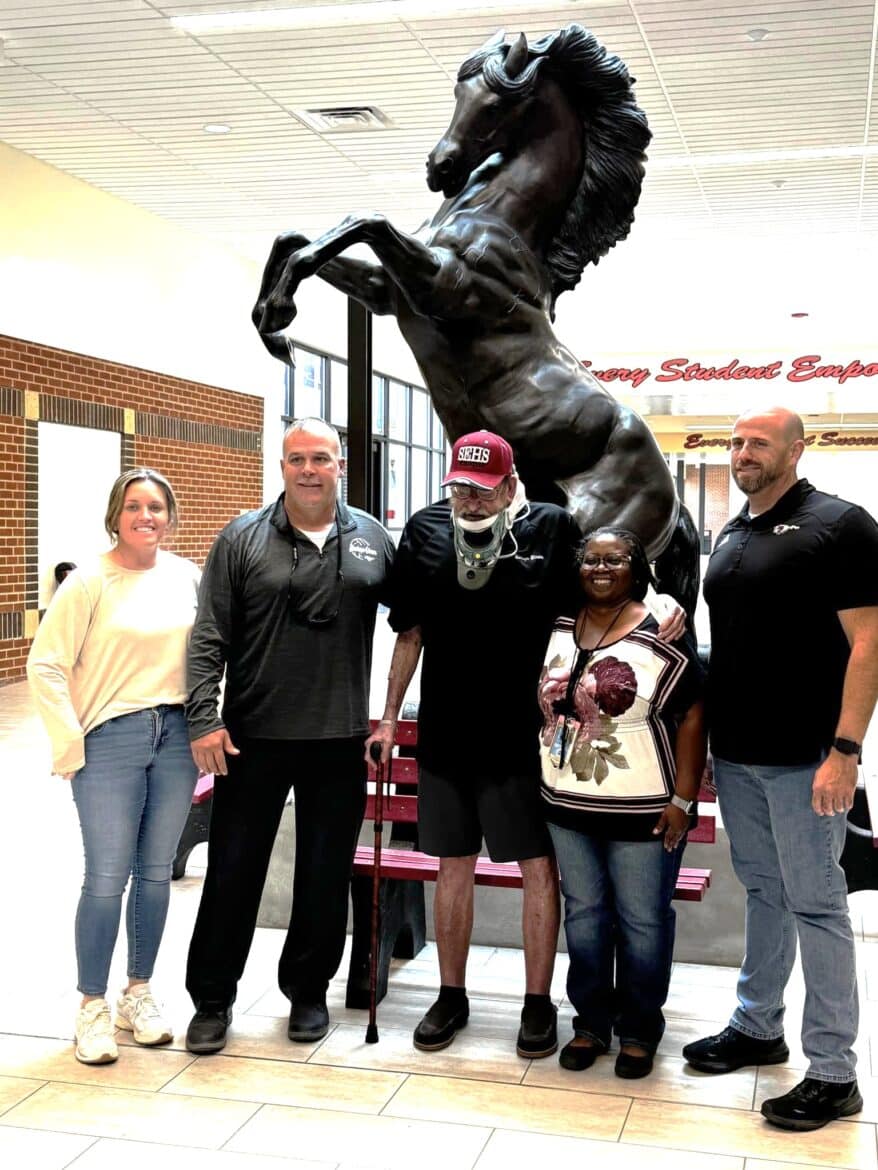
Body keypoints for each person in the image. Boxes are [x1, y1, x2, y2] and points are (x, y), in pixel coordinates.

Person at [367, 430, 685, 1058]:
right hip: (447, 734)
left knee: (538, 869)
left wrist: (661, 599)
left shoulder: (551, 527)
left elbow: (603, 591)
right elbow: (410, 633)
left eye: (485, 489)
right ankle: (451, 994)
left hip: (527, 740)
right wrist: (387, 719)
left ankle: (538, 1003)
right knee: (452, 865)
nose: (471, 499)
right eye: (461, 487)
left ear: (511, 484)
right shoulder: (425, 531)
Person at [683, 406, 878, 1131]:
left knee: (817, 905)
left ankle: (833, 1072)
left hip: (808, 759)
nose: (743, 453)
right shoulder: (734, 533)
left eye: (758, 443)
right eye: (737, 443)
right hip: (739, 754)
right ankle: (757, 1025)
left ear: (796, 449)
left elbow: (870, 643)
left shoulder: (840, 525)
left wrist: (845, 752)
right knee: (765, 892)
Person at [184, 417, 394, 1054]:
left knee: (324, 876)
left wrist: (389, 714)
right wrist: (204, 717)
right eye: (297, 458)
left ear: (340, 466)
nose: (309, 470)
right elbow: (209, 633)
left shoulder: (373, 539)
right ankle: (213, 999)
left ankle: (308, 992)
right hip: (253, 737)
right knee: (233, 872)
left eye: (321, 458)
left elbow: (416, 620)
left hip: (339, 737)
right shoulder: (242, 537)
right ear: (281, 466)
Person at [27, 469, 200, 1065]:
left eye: (156, 507)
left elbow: (209, 656)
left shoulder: (187, 577)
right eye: (133, 506)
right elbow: (45, 664)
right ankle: (91, 1006)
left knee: (155, 874)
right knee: (106, 876)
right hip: (110, 738)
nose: (145, 516)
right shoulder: (88, 582)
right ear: (115, 516)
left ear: (170, 516)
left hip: (176, 736)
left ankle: (138, 993)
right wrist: (68, 743)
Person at [539, 528, 706, 1078]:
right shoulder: (559, 624)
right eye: (591, 559)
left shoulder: (662, 629)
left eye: (615, 559)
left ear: (637, 568)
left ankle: (638, 1029)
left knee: (642, 921)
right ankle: (591, 1023)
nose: (601, 568)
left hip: (644, 810)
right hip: (567, 806)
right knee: (584, 915)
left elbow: (693, 714)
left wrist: (683, 799)